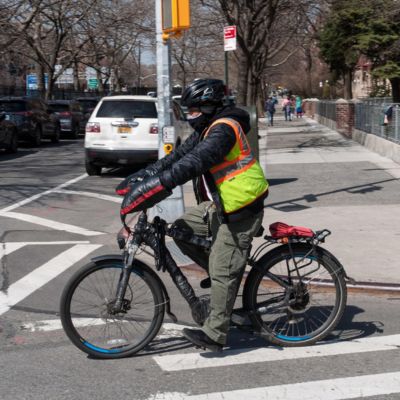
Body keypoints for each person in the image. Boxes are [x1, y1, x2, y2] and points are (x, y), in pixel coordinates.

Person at [116, 78, 269, 352]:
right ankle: (226, 284)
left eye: (195, 109)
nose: (190, 115)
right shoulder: (208, 127)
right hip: (222, 203)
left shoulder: (223, 131)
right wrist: (143, 176)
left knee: (222, 271)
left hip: (241, 207)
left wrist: (159, 185)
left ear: (210, 106)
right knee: (182, 229)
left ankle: (215, 333)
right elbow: (177, 157)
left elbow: (193, 163)